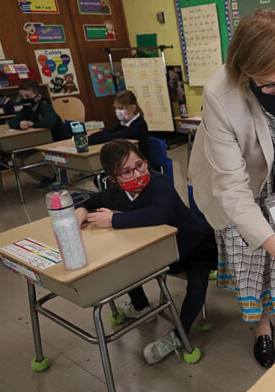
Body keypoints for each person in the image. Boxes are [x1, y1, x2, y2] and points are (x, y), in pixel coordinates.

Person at [187, 9, 275, 368]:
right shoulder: (221, 96)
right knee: (252, 258)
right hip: (237, 185)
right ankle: (261, 326)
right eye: (270, 85)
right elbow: (233, 191)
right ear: (244, 72)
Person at [74, 140, 217, 364]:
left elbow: (160, 213)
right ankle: (141, 307)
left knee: (197, 284)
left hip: (195, 245)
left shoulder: (160, 183)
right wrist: (81, 209)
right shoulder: (116, 193)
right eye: (127, 172)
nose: (138, 174)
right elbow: (83, 198)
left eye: (140, 165)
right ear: (113, 179)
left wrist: (114, 219)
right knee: (127, 261)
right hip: (161, 253)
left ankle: (179, 335)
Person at [8, 80, 64, 189]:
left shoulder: (45, 107)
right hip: (40, 145)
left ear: (38, 97)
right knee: (18, 161)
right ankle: (45, 178)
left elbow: (49, 122)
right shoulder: (26, 109)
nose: (24, 99)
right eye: (22, 96)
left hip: (56, 145)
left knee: (29, 161)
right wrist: (19, 124)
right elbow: (12, 122)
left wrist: (32, 125)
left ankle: (58, 176)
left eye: (28, 96)